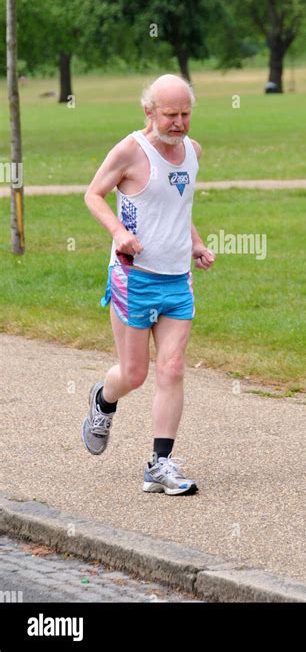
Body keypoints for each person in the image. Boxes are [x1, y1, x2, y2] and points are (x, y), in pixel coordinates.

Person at [81, 73, 215, 495]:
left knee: (172, 368)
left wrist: (194, 243)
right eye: (170, 114)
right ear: (149, 112)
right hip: (134, 277)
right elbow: (93, 195)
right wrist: (119, 233)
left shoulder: (192, 152)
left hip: (177, 279)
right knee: (135, 374)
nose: (178, 123)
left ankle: (160, 465)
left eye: (185, 114)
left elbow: (178, 207)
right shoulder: (130, 151)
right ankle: (104, 399)